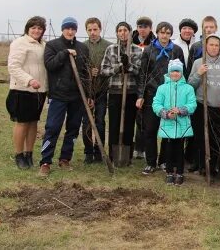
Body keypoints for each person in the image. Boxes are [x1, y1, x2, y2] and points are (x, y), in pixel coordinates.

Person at [39, 17, 91, 177]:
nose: (70, 31)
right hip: (58, 95)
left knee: (73, 128)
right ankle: (45, 162)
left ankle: (65, 159)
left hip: (77, 96)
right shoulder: (53, 45)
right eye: (67, 28)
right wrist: (64, 53)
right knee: (52, 128)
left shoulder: (83, 48)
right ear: (63, 29)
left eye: (73, 29)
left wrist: (88, 95)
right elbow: (50, 65)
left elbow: (86, 74)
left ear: (76, 30)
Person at [136, 22, 186, 175]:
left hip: (171, 96)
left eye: (168, 33)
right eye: (162, 32)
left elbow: (182, 72)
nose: (164, 36)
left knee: (167, 130)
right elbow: (143, 74)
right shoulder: (149, 50)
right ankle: (151, 162)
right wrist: (140, 95)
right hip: (152, 95)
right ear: (157, 33)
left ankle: (164, 160)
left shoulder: (176, 50)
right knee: (150, 130)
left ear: (171, 34)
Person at [187, 34, 220, 180]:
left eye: (217, 45)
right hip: (202, 106)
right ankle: (205, 167)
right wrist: (198, 74)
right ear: (205, 46)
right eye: (211, 44)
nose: (214, 47)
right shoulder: (198, 63)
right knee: (202, 139)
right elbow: (190, 85)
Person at [6, 16, 48, 169]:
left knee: (33, 122)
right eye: (33, 28)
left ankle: (29, 153)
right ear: (27, 29)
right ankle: (19, 155)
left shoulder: (43, 45)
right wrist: (29, 80)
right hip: (22, 90)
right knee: (22, 123)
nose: (36, 30)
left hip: (39, 91)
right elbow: (13, 67)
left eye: (40, 28)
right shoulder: (20, 43)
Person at [100, 22, 142, 164]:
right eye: (120, 30)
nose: (123, 33)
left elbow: (139, 72)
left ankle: (127, 156)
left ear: (130, 32)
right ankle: (113, 155)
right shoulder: (111, 49)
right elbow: (104, 70)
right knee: (114, 124)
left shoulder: (137, 50)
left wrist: (129, 65)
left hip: (130, 92)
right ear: (117, 33)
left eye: (125, 30)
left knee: (129, 124)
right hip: (115, 92)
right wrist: (118, 67)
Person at [152, 59, 197, 186]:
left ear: (181, 73)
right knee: (168, 149)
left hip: (182, 125)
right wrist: (166, 113)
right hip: (168, 124)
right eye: (173, 71)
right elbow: (156, 104)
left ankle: (180, 173)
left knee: (179, 150)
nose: (175, 74)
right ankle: (169, 172)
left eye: (177, 71)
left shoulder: (188, 88)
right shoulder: (162, 88)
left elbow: (192, 104)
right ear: (169, 72)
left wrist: (181, 110)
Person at [184, 16, 220, 168]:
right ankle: (195, 160)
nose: (209, 29)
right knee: (197, 130)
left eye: (211, 27)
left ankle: (212, 162)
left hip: (214, 95)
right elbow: (191, 72)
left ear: (215, 28)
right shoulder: (196, 47)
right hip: (198, 93)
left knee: (213, 133)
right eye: (206, 27)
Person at [82, 17, 111, 164]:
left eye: (95, 29)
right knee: (87, 121)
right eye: (89, 30)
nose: (92, 32)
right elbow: (79, 69)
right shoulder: (81, 47)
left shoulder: (108, 46)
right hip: (86, 90)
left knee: (100, 121)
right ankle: (88, 152)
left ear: (100, 29)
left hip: (102, 90)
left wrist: (101, 71)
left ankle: (99, 150)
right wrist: (88, 72)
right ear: (86, 30)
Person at [131, 16, 155, 159]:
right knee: (134, 117)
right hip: (132, 84)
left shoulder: (154, 43)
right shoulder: (131, 40)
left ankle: (144, 147)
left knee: (144, 118)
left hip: (146, 84)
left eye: (145, 27)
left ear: (150, 28)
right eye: (140, 26)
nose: (142, 29)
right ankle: (135, 146)